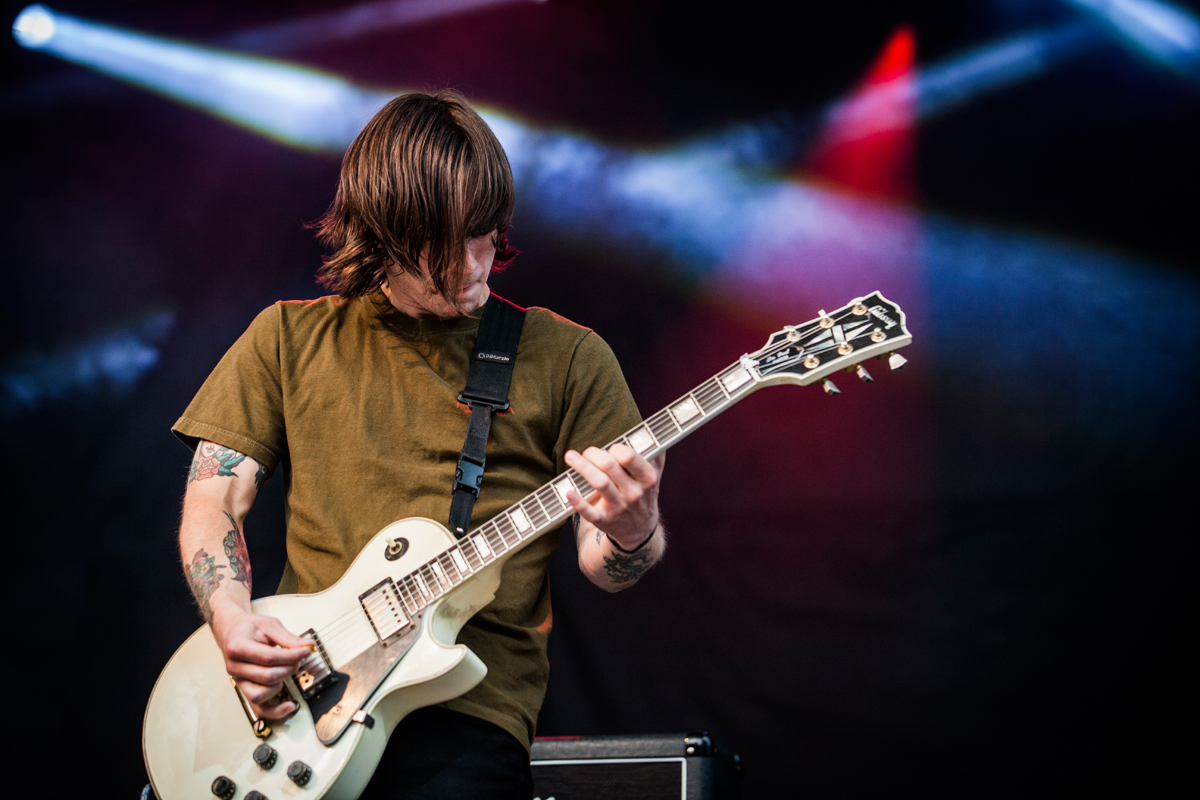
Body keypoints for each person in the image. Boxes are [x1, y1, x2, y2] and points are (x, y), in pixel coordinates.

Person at [172, 90, 666, 798]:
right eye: (442, 245)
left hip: (465, 723)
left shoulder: (569, 357)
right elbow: (214, 497)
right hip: (303, 704)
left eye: (484, 233)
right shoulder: (286, 336)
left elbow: (609, 563)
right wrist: (231, 620)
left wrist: (631, 531)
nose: (473, 265)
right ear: (382, 235)